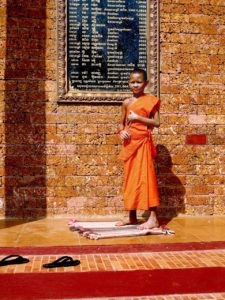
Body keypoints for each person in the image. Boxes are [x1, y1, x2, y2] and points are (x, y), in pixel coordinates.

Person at [117, 68, 160, 230]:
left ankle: (153, 218)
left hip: (143, 143)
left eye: (139, 82)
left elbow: (156, 123)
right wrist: (121, 132)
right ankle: (132, 216)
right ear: (128, 83)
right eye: (132, 82)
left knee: (146, 178)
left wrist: (138, 118)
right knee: (130, 179)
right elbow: (121, 123)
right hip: (130, 145)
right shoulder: (126, 102)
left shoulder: (151, 101)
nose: (135, 85)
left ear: (146, 83)